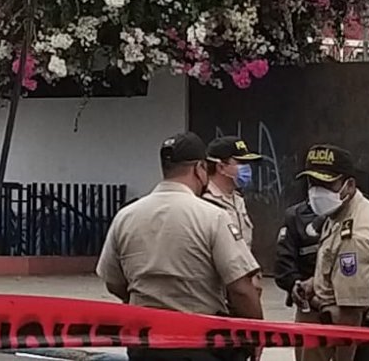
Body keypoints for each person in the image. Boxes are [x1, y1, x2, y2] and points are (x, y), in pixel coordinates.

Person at [97, 132, 263, 361]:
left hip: (145, 343)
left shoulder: (125, 216)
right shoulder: (213, 216)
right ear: (200, 169)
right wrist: (257, 331)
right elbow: (241, 289)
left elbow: (113, 282)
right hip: (199, 343)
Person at [293, 145, 369, 361]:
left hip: (356, 341)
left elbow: (351, 315)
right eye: (312, 183)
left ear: (349, 185)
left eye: (326, 184)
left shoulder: (355, 236)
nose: (317, 191)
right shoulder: (339, 212)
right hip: (329, 327)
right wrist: (313, 284)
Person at [275, 195, 326, 361]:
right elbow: (283, 264)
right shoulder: (295, 216)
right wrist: (296, 286)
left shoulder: (356, 213)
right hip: (311, 307)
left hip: (348, 307)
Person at [203, 136, 262, 253]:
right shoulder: (204, 200)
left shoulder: (238, 200)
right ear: (220, 167)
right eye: (241, 163)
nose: (247, 168)